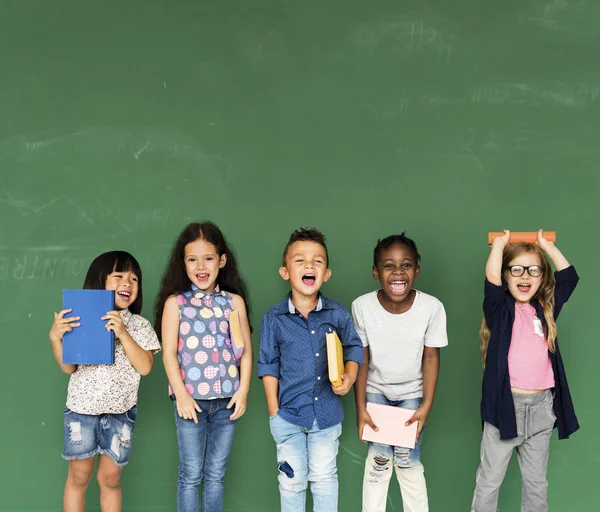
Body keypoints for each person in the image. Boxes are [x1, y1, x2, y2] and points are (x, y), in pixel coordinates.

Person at [471, 230, 580, 511]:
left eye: (533, 270)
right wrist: (498, 245)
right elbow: (491, 280)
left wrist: (546, 246)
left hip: (541, 409)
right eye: (516, 269)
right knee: (489, 481)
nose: (525, 276)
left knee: (536, 484)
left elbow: (568, 277)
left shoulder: (545, 309)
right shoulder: (499, 310)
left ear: (542, 277)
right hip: (505, 408)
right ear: (506, 276)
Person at [258, 227, 364, 512]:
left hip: (327, 415)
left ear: (326, 273)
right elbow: (268, 365)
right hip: (288, 416)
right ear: (285, 272)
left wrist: (350, 376)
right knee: (291, 483)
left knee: (324, 478)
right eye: (300, 260)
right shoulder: (274, 318)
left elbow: (354, 348)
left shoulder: (337, 313)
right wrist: (273, 411)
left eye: (317, 261)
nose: (309, 265)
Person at [49, 251, 160, 512]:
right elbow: (69, 368)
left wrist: (123, 332)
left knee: (110, 479)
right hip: (81, 411)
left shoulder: (140, 325)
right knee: (79, 476)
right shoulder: (80, 320)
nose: (128, 283)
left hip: (120, 413)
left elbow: (145, 367)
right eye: (118, 276)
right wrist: (56, 338)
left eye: (134, 279)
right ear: (100, 281)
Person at [155, 221, 253, 512]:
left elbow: (244, 352)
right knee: (190, 474)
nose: (201, 266)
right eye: (192, 259)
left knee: (215, 475)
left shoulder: (233, 302)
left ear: (221, 261)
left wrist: (243, 391)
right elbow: (168, 355)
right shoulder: (176, 304)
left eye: (208, 258)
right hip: (191, 403)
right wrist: (182, 396)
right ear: (182, 263)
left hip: (227, 402)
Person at [353, 233, 448, 512]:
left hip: (413, 392)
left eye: (406, 265)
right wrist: (361, 407)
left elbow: (431, 355)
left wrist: (426, 405)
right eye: (388, 265)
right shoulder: (362, 306)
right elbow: (362, 357)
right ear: (375, 272)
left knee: (407, 458)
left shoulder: (431, 308)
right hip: (376, 390)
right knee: (379, 458)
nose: (398, 272)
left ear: (417, 270)